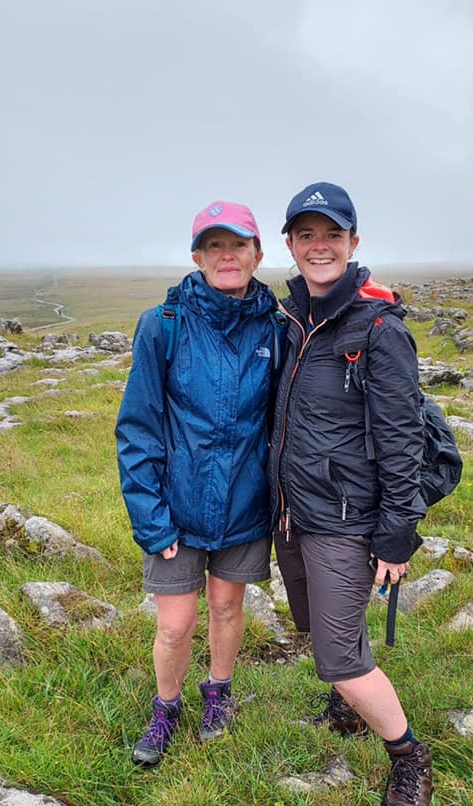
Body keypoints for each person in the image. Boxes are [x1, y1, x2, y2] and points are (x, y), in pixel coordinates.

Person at [269, 182, 433, 806]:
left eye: (331, 235)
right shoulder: (291, 319)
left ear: (353, 243)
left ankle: (409, 758)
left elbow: (401, 439)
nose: (319, 246)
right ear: (290, 244)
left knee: (337, 652)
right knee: (316, 622)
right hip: (294, 509)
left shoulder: (378, 330)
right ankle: (346, 708)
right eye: (306, 235)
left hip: (345, 517)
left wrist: (397, 534)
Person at [116, 200, 283, 768]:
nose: (227, 255)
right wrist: (150, 516)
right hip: (175, 507)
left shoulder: (278, 327)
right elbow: (138, 428)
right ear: (197, 257)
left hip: (244, 502)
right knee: (175, 625)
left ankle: (219, 694)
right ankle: (167, 708)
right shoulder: (162, 325)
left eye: (238, 244)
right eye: (215, 245)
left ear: (258, 254)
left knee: (227, 606)